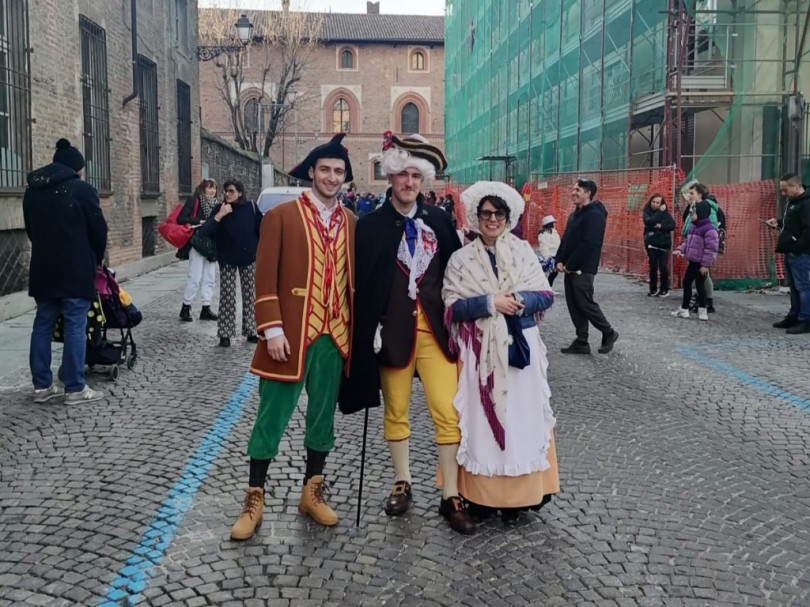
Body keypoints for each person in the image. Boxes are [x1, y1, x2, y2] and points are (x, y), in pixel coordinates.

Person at [339, 131, 474, 534]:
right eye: (402, 176)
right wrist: (367, 327)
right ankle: (403, 481)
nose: (409, 183)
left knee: (447, 413)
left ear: (423, 180)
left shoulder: (438, 220)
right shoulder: (371, 225)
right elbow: (362, 281)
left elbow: (457, 271)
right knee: (396, 412)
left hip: (434, 331)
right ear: (390, 178)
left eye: (416, 176)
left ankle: (450, 493)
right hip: (392, 333)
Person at [230, 134, 356, 540]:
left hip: (333, 338)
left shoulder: (352, 222)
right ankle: (254, 497)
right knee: (272, 417)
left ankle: (312, 491)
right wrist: (272, 329)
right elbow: (264, 276)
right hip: (290, 335)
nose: (332, 177)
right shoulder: (282, 216)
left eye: (338, 172)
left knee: (322, 420)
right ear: (311, 174)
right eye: (325, 170)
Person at [443, 181, 559, 524]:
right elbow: (450, 305)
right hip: (480, 353)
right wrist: (489, 302)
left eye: (498, 214)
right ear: (477, 217)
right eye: (485, 213)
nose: (491, 219)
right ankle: (481, 495)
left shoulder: (524, 252)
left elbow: (545, 295)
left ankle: (520, 497)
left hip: (521, 352)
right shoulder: (461, 259)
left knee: (522, 421)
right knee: (481, 425)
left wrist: (520, 301)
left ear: (508, 217)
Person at [22, 138, 108, 404]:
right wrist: (95, 258)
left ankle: (42, 386)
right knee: (74, 325)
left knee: (43, 324)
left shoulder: (33, 191)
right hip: (75, 268)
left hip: (44, 267)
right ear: (75, 168)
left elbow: (31, 229)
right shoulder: (82, 190)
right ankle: (74, 387)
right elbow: (99, 231)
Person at [555, 179, 619, 355]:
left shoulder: (595, 215)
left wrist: (570, 264)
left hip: (583, 268)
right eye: (573, 189)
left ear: (588, 193)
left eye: (577, 190)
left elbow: (589, 243)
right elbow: (566, 240)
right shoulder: (574, 214)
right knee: (574, 304)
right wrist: (559, 259)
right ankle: (582, 341)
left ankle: (609, 332)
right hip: (569, 267)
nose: (573, 192)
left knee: (585, 303)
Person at [198, 179, 261, 347]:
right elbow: (204, 232)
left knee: (250, 295)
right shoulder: (220, 209)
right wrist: (219, 216)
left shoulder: (251, 208)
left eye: (231, 191)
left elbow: (262, 230)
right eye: (226, 191)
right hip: (227, 259)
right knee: (227, 296)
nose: (227, 194)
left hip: (248, 258)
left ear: (240, 193)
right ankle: (225, 333)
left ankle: (251, 330)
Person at [767, 173, 810, 334]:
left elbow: (808, 230)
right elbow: (793, 224)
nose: (783, 194)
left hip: (801, 252)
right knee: (794, 286)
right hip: (790, 250)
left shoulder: (806, 204)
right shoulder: (793, 202)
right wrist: (779, 222)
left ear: (795, 186)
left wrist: (797, 249)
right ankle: (794, 315)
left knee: (803, 286)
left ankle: (805, 319)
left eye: (785, 190)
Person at [177, 179, 219, 322]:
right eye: (209, 188)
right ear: (203, 189)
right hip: (197, 242)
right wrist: (199, 221)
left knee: (210, 277)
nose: (212, 191)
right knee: (195, 276)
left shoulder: (217, 205)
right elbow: (180, 218)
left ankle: (206, 308)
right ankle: (186, 307)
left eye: (214, 188)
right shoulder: (194, 200)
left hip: (212, 243)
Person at [672, 201, 719, 321]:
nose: (690, 216)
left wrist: (705, 265)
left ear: (701, 214)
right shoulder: (693, 227)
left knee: (699, 285)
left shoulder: (710, 230)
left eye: (692, 214)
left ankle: (700, 309)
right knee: (688, 283)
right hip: (693, 261)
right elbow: (688, 243)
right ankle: (686, 308)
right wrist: (680, 250)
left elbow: (711, 250)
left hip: (701, 263)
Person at [682, 183, 725, 313]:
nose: (688, 196)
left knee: (703, 276)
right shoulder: (694, 206)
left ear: (700, 194)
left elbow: (710, 230)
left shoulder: (705, 207)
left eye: (691, 193)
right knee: (696, 278)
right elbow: (689, 221)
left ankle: (706, 302)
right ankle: (699, 303)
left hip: (701, 247)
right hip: (694, 243)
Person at [642, 194, 675, 297]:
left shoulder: (666, 214)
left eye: (658, 203)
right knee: (653, 266)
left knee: (663, 266)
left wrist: (661, 226)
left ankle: (664, 288)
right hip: (652, 243)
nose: (655, 204)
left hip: (664, 244)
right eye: (653, 202)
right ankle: (653, 288)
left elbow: (672, 225)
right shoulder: (646, 212)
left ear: (662, 204)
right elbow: (650, 222)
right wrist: (660, 212)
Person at [537, 215, 561, 285]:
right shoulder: (543, 234)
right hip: (550, 255)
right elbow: (544, 247)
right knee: (551, 272)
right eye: (552, 223)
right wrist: (547, 257)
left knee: (554, 273)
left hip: (556, 254)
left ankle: (548, 286)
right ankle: (546, 286)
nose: (554, 224)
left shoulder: (554, 232)